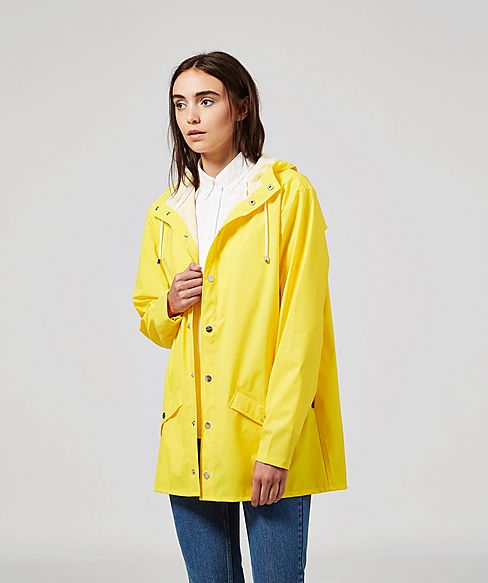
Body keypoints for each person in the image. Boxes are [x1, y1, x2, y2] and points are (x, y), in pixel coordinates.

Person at [132, 51, 347, 583]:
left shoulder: (286, 194)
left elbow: (302, 330)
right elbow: (151, 319)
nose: (191, 117)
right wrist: (170, 303)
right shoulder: (167, 211)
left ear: (242, 106)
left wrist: (278, 445)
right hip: (190, 438)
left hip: (263, 435)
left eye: (207, 101)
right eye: (180, 104)